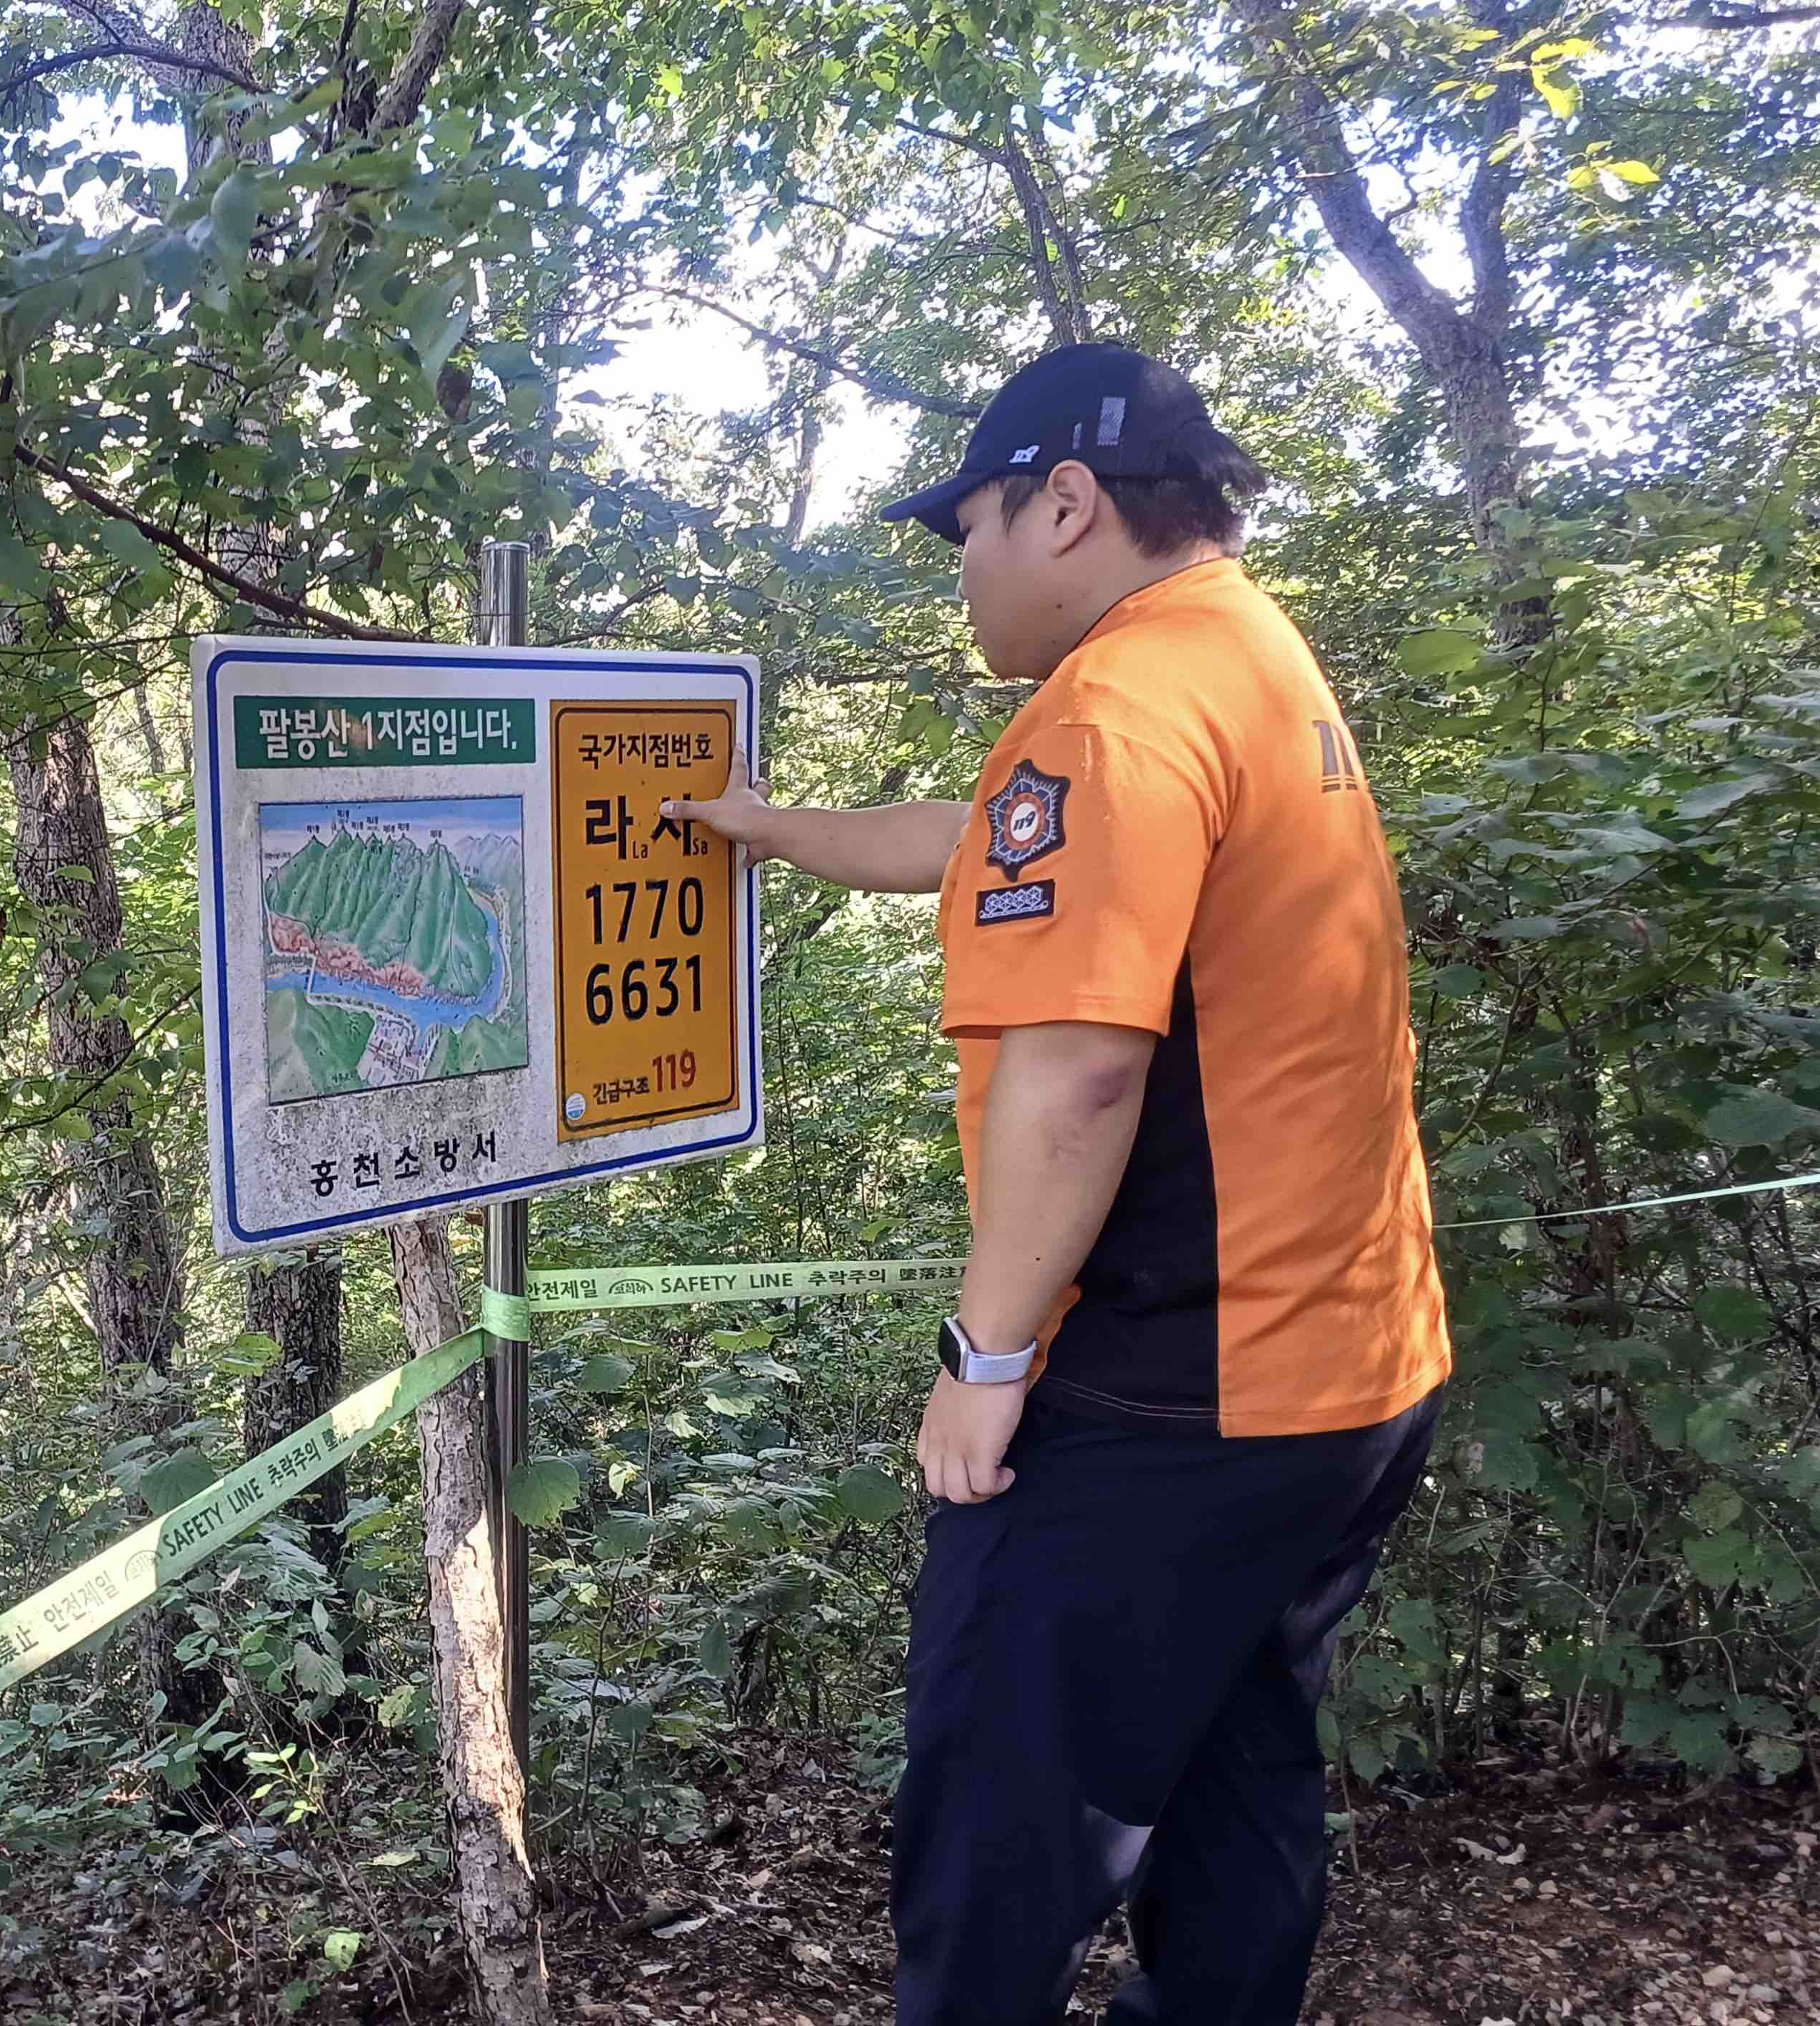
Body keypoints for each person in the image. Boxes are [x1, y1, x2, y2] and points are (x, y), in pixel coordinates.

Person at [663, 343, 1452, 2026]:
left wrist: (988, 1356)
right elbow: (972, 842)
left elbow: (1080, 1073)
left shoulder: (1110, 709)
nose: (962, 567)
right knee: (1236, 1776)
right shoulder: (1241, 658)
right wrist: (769, 826)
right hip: (1354, 1376)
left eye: (970, 527)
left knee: (1000, 1837)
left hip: (1169, 1392)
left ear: (1067, 503)